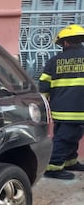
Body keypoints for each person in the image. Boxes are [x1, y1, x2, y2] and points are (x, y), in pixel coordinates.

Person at [40, 24, 84, 180]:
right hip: (80, 108)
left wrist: (43, 106)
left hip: (60, 108)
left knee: (69, 136)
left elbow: (44, 86)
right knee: (66, 137)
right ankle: (53, 166)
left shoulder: (54, 61)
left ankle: (69, 161)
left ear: (65, 43)